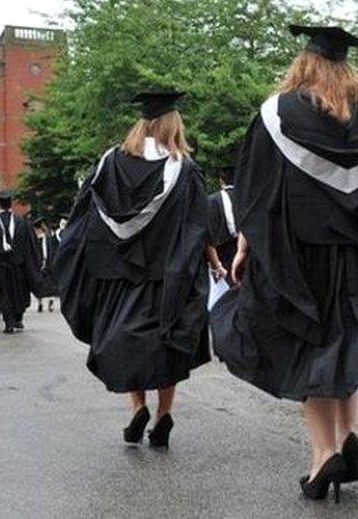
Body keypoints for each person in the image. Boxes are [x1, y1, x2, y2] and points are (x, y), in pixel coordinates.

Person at [210, 26, 358, 502]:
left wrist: (245, 247)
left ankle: (322, 456)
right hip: (357, 259)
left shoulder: (277, 114)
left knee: (312, 352)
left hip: (301, 259)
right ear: (346, 69)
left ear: (304, 65)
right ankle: (348, 431)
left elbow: (256, 191)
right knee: (346, 345)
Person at [55, 90, 222, 449]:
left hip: (117, 276)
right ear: (174, 125)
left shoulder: (109, 163)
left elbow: (83, 220)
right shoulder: (184, 169)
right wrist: (213, 259)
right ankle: (163, 413)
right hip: (167, 277)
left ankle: (136, 408)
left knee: (124, 343)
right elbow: (197, 226)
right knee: (166, 346)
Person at [0, 191, 39, 334]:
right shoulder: (22, 223)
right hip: (19, 267)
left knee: (3, 294)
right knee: (20, 293)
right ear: (11, 205)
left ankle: (8, 323)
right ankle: (18, 319)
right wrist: (34, 263)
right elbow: (32, 246)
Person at [207, 162, 238, 281]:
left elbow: (208, 237)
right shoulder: (250, 198)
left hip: (223, 257)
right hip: (251, 257)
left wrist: (216, 266)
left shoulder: (213, 201)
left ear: (221, 181)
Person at [32, 217, 59, 313]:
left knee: (48, 284)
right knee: (43, 284)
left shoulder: (45, 239)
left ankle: (47, 302)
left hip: (46, 263)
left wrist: (43, 261)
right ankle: (41, 303)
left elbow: (46, 252)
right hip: (44, 263)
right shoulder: (45, 238)